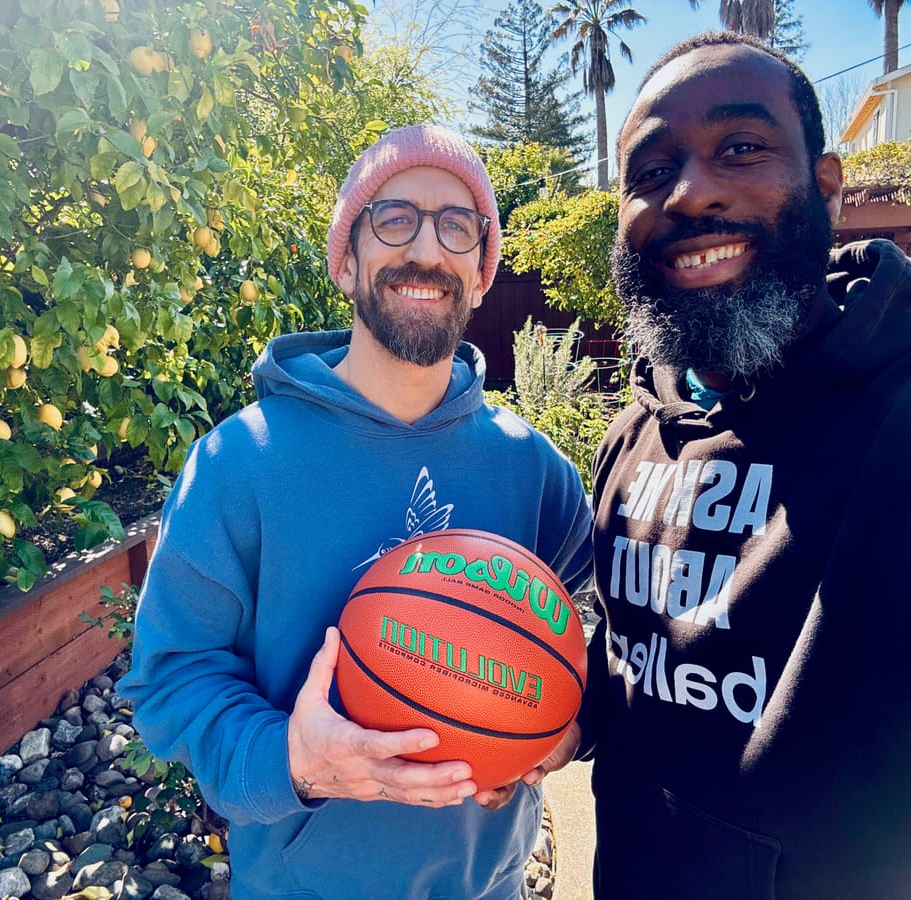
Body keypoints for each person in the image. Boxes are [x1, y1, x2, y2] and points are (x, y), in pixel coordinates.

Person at [555, 31, 911, 899]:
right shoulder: (631, 439)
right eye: (651, 173)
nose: (689, 194)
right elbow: (629, 662)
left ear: (827, 188)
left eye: (741, 147)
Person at [117, 123, 593, 899]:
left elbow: (600, 634)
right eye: (395, 218)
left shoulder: (532, 467)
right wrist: (292, 760)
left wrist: (561, 729)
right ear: (348, 258)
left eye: (457, 225)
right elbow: (172, 681)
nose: (427, 251)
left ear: (482, 268)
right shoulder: (239, 462)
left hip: (489, 885)